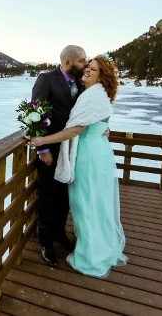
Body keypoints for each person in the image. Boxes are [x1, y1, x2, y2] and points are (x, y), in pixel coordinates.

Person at [30, 54, 127, 277]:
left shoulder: (93, 94)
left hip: (89, 155)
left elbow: (77, 129)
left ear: (102, 77)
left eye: (93, 68)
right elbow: (40, 110)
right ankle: (66, 242)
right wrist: (42, 147)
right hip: (91, 151)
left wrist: (43, 141)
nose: (87, 69)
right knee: (89, 200)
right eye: (86, 65)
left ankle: (91, 254)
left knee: (86, 202)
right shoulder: (88, 91)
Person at [31, 45, 88, 266]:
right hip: (51, 150)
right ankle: (45, 243)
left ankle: (59, 233)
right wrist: (42, 149)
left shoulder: (79, 83)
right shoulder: (47, 79)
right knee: (48, 195)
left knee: (65, 194)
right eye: (82, 60)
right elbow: (35, 113)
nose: (85, 63)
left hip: (72, 149)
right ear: (67, 63)